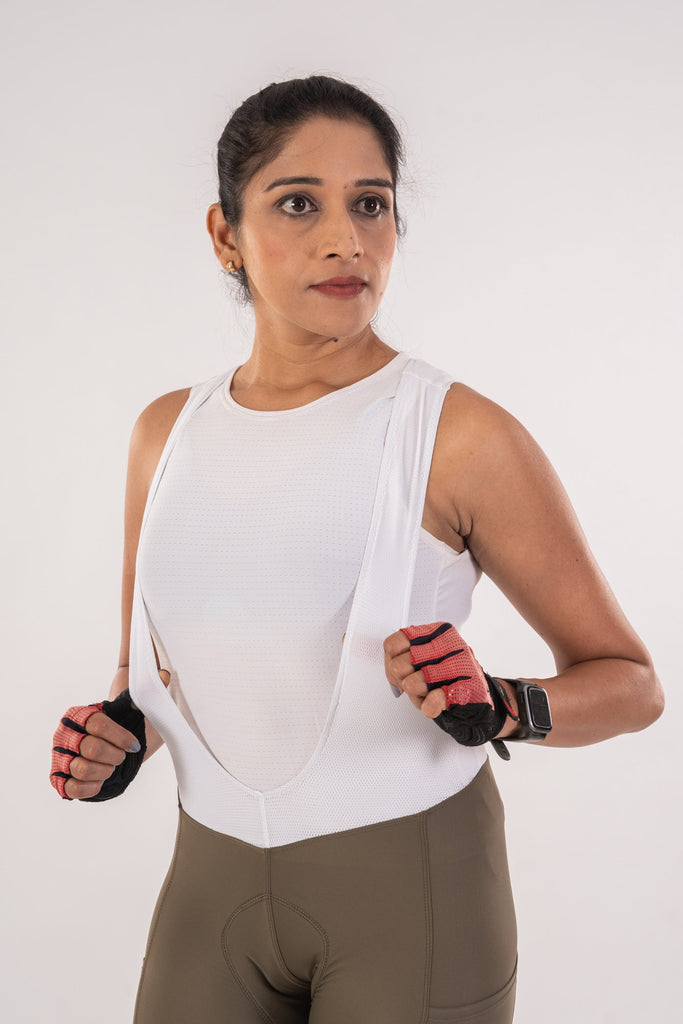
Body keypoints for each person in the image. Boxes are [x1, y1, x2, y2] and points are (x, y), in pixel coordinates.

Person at [50, 75, 664, 1024]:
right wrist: (117, 733)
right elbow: (147, 675)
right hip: (209, 885)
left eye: (369, 204)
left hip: (411, 891)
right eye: (298, 203)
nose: (345, 240)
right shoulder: (163, 433)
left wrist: (506, 705)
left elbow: (630, 685)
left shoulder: (456, 434)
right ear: (224, 234)